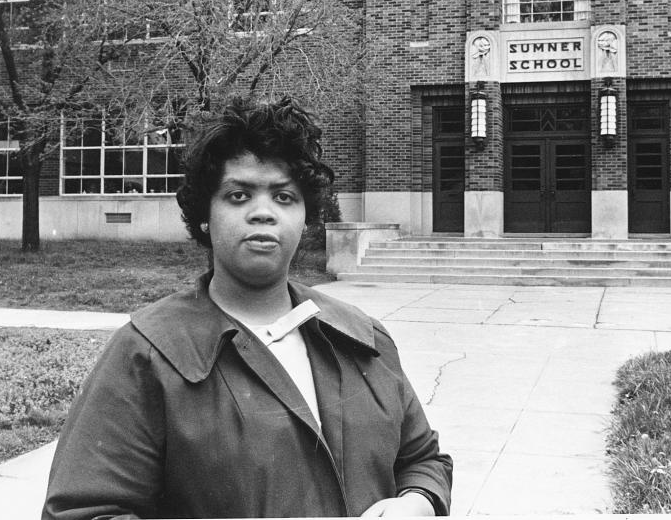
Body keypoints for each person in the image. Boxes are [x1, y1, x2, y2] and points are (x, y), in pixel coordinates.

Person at [42, 97, 453, 519]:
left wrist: (417, 503)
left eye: (284, 197)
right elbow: (84, 510)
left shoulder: (363, 339)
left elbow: (423, 461)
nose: (263, 213)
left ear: (306, 215)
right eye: (238, 195)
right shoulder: (148, 355)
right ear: (205, 215)